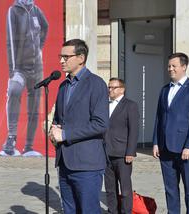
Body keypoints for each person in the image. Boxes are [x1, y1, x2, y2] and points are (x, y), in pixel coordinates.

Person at [49, 39, 109, 214]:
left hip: (86, 164)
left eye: (66, 57)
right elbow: (59, 118)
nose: (61, 61)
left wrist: (65, 134)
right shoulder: (63, 86)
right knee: (69, 210)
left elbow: (101, 124)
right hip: (64, 162)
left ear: (81, 58)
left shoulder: (96, 84)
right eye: (61, 56)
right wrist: (53, 131)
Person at [153, 52, 189, 213]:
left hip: (186, 149)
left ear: (184, 67)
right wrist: (155, 142)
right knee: (170, 189)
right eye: (169, 66)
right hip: (165, 148)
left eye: (174, 66)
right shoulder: (164, 90)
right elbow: (159, 117)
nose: (170, 69)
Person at [0, 0, 49, 157]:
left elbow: (45, 27)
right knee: (14, 91)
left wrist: (39, 47)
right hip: (20, 67)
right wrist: (13, 69)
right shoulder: (13, 11)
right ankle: (11, 138)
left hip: (37, 68)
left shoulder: (36, 10)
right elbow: (10, 42)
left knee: (34, 105)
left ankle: (29, 145)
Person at [104, 78, 139, 214]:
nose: (110, 90)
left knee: (125, 189)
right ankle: (112, 211)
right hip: (106, 153)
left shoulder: (130, 105)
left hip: (122, 154)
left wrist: (130, 152)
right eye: (109, 87)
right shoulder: (105, 104)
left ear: (122, 89)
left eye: (113, 87)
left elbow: (134, 130)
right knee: (110, 189)